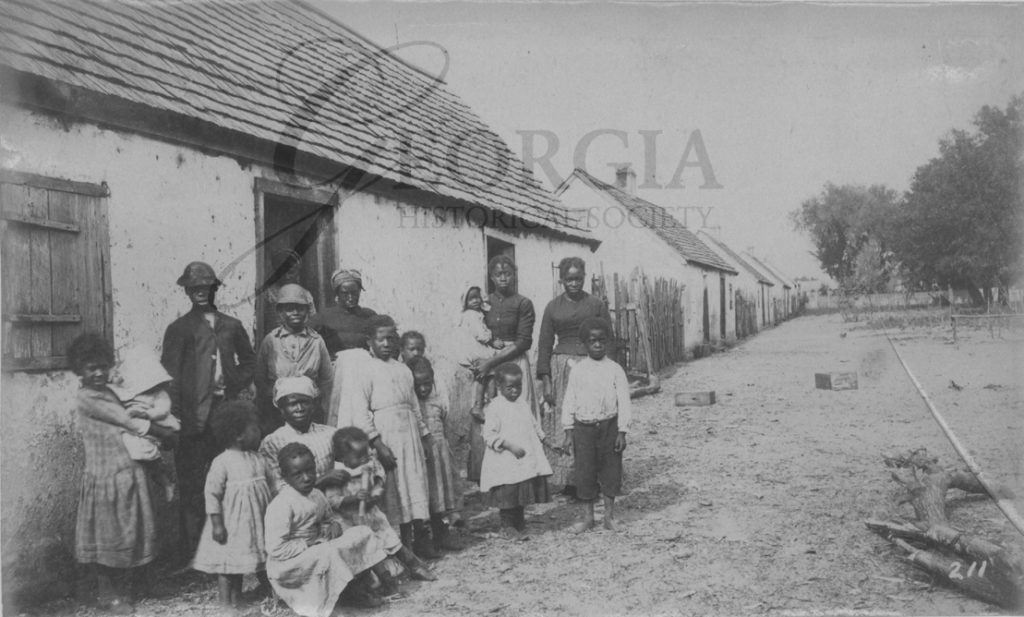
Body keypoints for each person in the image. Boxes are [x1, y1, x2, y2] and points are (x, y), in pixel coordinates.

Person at [70, 333, 176, 614]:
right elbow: (126, 421)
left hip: (128, 472)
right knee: (109, 536)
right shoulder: (87, 398)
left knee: (135, 530)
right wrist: (163, 433)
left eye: (102, 366)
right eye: (91, 368)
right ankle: (110, 595)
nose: (98, 373)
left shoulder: (109, 390)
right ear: (79, 370)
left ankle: (142, 583)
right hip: (105, 476)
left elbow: (133, 406)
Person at [161, 260, 256, 555]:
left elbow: (250, 361)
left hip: (224, 415)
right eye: (194, 288)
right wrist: (174, 415)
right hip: (191, 417)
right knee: (192, 485)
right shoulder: (179, 329)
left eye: (206, 287)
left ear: (214, 288)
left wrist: (234, 381)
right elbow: (170, 376)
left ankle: (229, 548)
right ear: (187, 292)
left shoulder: (231, 326)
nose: (201, 292)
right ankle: (193, 554)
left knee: (229, 479)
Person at [339, 315, 439, 560]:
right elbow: (361, 411)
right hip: (386, 436)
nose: (386, 344)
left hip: (410, 437)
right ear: (369, 342)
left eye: (391, 339)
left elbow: (414, 406)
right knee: (394, 490)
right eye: (381, 339)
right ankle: (400, 545)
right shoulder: (364, 371)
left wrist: (424, 436)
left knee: (413, 485)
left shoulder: (404, 369)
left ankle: (419, 538)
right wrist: (377, 443)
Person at [264, 443, 390, 616]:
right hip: (290, 564)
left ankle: (357, 590)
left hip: (318, 547)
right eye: (297, 474)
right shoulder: (282, 504)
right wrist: (308, 543)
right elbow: (275, 549)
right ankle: (329, 604)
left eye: (310, 470)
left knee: (362, 532)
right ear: (284, 477)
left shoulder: (317, 494)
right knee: (329, 553)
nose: (307, 478)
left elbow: (329, 518)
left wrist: (334, 525)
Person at [319, 426, 437, 584]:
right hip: (351, 520)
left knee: (390, 538)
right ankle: (386, 580)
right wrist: (353, 498)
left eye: (365, 454)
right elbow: (332, 501)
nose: (364, 459)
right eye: (358, 456)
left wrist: (374, 495)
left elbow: (379, 479)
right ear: (342, 458)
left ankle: (414, 565)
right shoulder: (338, 474)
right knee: (369, 548)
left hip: (372, 515)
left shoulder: (369, 465)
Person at [536, 257, 612, 496]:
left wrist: (609, 374)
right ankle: (570, 479)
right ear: (561, 280)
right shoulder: (552, 307)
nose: (574, 283)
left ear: (584, 278)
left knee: (592, 420)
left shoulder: (596, 304)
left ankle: (593, 477)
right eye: (569, 279)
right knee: (565, 421)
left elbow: (608, 339)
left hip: (591, 365)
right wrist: (546, 379)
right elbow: (545, 343)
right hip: (562, 368)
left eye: (578, 278)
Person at [191, 401, 273, 611]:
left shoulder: (259, 459)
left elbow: (274, 486)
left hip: (256, 523)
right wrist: (217, 524)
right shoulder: (223, 462)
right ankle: (227, 603)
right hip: (232, 526)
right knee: (229, 567)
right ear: (238, 434)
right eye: (254, 428)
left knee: (258, 560)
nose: (260, 432)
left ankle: (250, 596)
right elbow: (212, 494)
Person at [465, 255, 538, 484]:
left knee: (517, 416)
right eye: (498, 274)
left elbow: (523, 341)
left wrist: (492, 362)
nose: (503, 278)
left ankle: (524, 472)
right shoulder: (484, 304)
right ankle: (489, 475)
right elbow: (472, 327)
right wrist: (482, 361)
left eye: (507, 273)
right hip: (489, 363)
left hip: (513, 362)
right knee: (487, 417)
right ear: (491, 277)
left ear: (514, 274)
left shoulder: (523, 303)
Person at [560, 317, 631, 533]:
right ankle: (588, 517)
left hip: (609, 426)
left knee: (611, 471)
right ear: (584, 343)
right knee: (585, 472)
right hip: (584, 428)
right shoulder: (579, 370)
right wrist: (568, 431)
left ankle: (609, 517)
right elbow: (569, 399)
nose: (598, 345)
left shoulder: (615, 369)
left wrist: (622, 431)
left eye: (602, 340)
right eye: (593, 341)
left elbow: (624, 401)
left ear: (607, 342)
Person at [480, 363, 552, 538]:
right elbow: (488, 435)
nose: (515, 391)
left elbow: (533, 423)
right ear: (499, 386)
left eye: (518, 386)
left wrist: (544, 439)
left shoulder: (522, 403)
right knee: (508, 492)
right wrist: (509, 445)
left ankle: (519, 522)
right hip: (505, 459)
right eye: (510, 387)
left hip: (522, 460)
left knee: (521, 489)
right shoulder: (495, 407)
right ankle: (507, 525)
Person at [255, 283, 333, 433]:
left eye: (300, 308)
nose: (295, 312)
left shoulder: (316, 341)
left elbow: (327, 379)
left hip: (308, 409)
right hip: (278, 411)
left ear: (307, 311)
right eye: (290, 308)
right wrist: (276, 399)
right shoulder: (271, 341)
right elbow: (260, 378)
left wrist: (316, 402)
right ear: (280, 312)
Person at [109, 345, 180, 503]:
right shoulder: (128, 390)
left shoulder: (160, 395)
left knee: (148, 456)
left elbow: (163, 411)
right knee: (135, 454)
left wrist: (146, 413)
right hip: (132, 430)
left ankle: (166, 481)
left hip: (154, 424)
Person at [408, 356, 464, 552]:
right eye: (418, 385)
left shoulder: (438, 401)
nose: (423, 389)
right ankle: (422, 538)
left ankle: (442, 533)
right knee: (423, 496)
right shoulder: (411, 406)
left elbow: (446, 425)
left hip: (439, 455)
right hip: (421, 457)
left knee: (440, 494)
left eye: (427, 384)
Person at [310, 268, 377, 427]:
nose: (350, 297)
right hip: (338, 374)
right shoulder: (325, 316)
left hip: (365, 373)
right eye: (345, 292)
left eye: (355, 292)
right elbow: (308, 337)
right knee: (341, 413)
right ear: (337, 293)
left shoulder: (369, 315)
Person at [259, 376, 335, 492]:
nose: (299, 408)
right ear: (282, 409)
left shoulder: (330, 434)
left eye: (304, 402)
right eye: (293, 404)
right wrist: (321, 482)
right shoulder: (272, 443)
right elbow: (277, 487)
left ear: (313, 405)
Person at [262, 248, 316, 332]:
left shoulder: (305, 294)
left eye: (291, 272)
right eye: (282, 272)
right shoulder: (268, 293)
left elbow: (312, 321)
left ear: (297, 272)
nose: (287, 276)